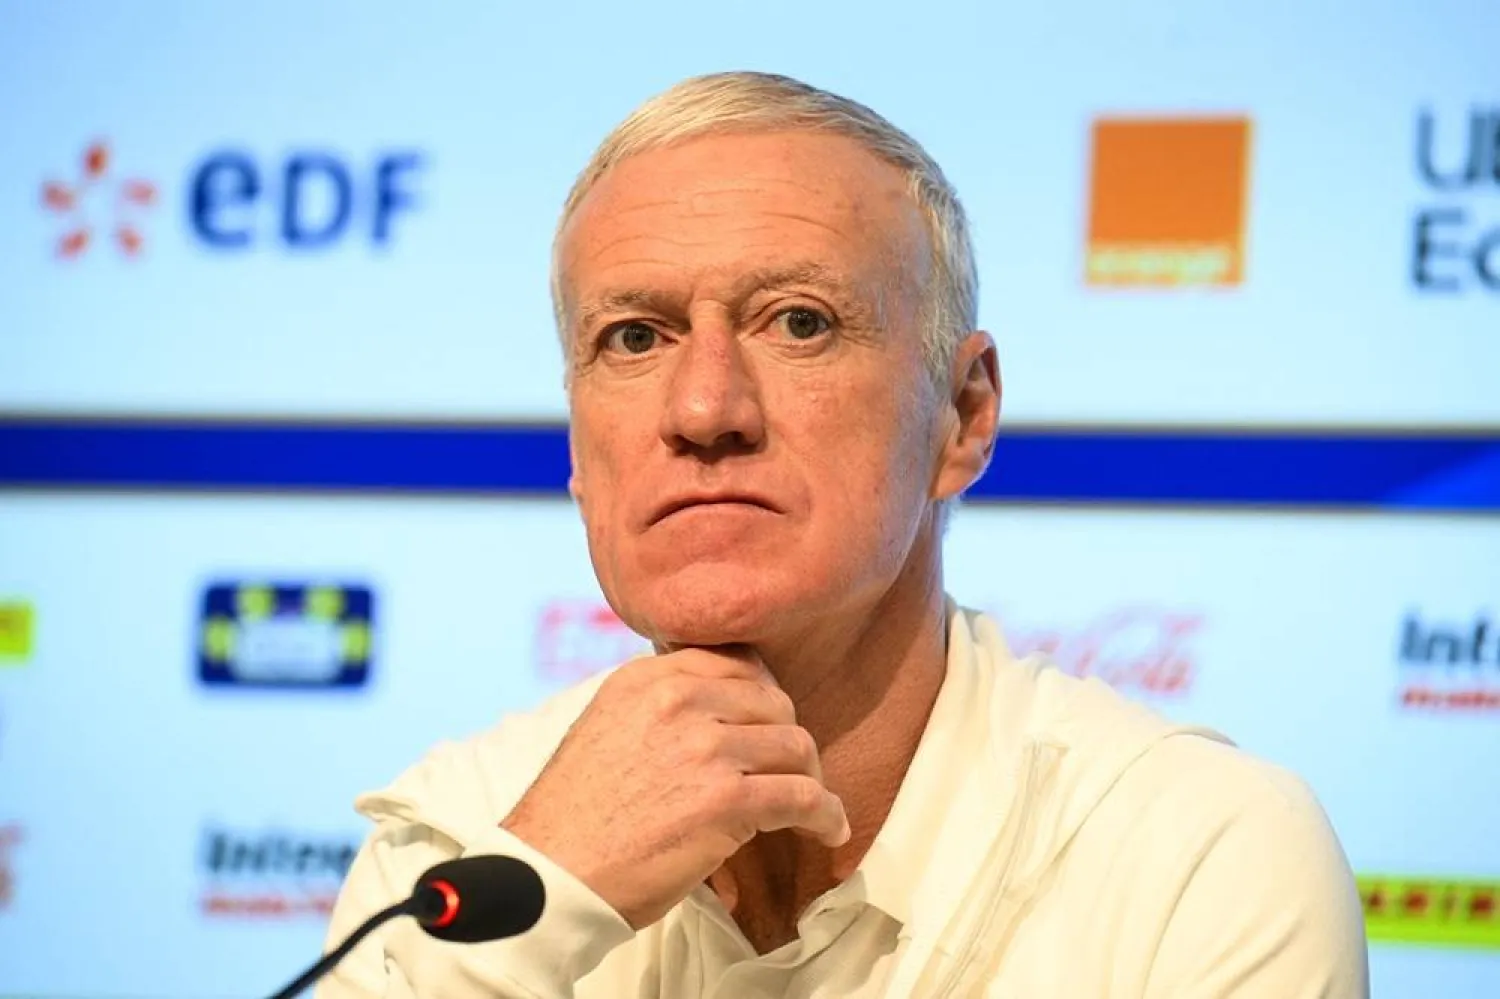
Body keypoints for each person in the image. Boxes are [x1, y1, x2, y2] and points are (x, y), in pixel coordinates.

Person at [317, 71, 1369, 997]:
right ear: (580, 454)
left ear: (963, 417)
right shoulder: (452, 856)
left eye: (799, 322)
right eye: (635, 337)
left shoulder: (1199, 855)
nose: (704, 409)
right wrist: (537, 907)